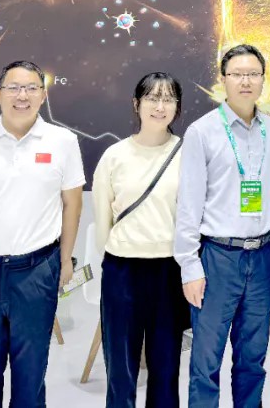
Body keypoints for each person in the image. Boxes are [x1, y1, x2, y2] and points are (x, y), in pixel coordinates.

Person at [0, 60, 85, 408]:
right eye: (13, 88)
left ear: (43, 95)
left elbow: (72, 204)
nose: (22, 96)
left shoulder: (63, 142)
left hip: (37, 270)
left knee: (30, 377)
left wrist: (65, 259)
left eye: (31, 88)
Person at [174, 44, 270, 408]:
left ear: (263, 80)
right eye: (237, 74)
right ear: (223, 79)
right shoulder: (202, 131)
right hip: (218, 258)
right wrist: (189, 266)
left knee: (253, 359)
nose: (245, 81)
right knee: (206, 360)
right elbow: (188, 204)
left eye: (253, 74)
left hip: (264, 255)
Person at [93, 72, 190, 408]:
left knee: (166, 367)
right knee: (120, 368)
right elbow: (102, 220)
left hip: (170, 271)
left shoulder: (188, 154)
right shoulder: (115, 155)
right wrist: (117, 253)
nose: (159, 106)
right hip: (122, 270)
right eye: (152, 98)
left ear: (177, 107)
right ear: (136, 104)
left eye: (168, 99)